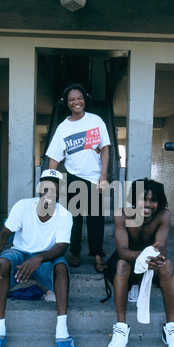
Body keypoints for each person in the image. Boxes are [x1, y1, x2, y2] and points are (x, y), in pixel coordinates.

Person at [0, 169, 76, 347]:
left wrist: (39, 258)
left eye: (54, 189)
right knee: (1, 264)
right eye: (45, 188)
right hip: (21, 254)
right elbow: (4, 234)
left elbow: (61, 248)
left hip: (45, 258)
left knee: (62, 267)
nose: (48, 193)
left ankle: (62, 331)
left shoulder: (65, 215)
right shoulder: (23, 206)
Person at [106, 178, 174, 347]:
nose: (148, 204)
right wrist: (144, 256)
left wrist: (156, 255)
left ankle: (171, 329)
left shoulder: (163, 215)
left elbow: (162, 247)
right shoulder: (121, 214)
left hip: (151, 260)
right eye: (144, 199)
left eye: (153, 200)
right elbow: (122, 251)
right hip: (127, 260)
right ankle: (121, 328)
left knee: (166, 265)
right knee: (121, 265)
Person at [46, 83, 111, 273]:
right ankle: (74, 252)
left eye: (79, 98)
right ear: (67, 103)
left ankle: (98, 255)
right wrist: (50, 182)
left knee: (96, 218)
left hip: (95, 178)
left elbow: (105, 149)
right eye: (71, 100)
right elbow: (54, 158)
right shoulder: (63, 128)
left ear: (85, 99)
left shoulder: (96, 121)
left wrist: (104, 175)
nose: (76, 102)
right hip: (73, 177)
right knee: (73, 219)